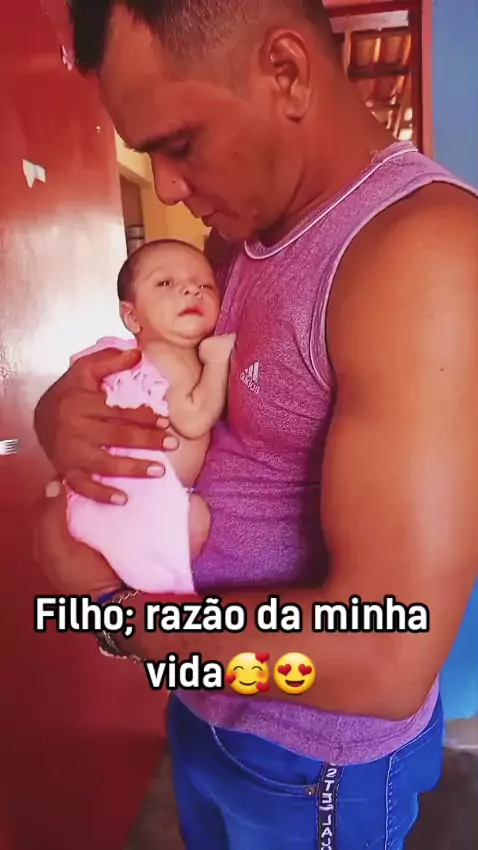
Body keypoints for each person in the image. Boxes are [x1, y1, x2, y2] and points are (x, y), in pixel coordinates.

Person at [33, 1, 478, 847]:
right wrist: (62, 412)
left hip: (311, 758)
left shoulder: (419, 254)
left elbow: (386, 656)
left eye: (180, 143)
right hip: (209, 704)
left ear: (287, 72)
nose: (166, 186)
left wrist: (114, 610)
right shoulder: (238, 245)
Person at [66, 239, 235, 594]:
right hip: (142, 501)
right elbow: (193, 419)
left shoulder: (156, 355)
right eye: (165, 283)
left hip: (125, 501)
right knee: (196, 517)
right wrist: (218, 361)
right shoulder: (165, 356)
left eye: (205, 286)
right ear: (131, 316)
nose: (191, 290)